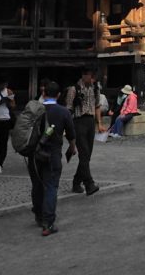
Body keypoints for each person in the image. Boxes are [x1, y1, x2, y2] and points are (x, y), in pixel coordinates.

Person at [30, 81, 76, 236]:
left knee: (37, 185)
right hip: (53, 153)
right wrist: (72, 147)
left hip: (35, 153)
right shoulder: (63, 112)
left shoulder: (36, 109)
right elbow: (71, 134)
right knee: (51, 186)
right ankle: (48, 223)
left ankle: (38, 216)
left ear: (43, 94)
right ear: (58, 95)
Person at [64, 67, 100, 195]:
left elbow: (97, 106)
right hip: (78, 122)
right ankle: (89, 183)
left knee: (87, 155)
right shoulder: (74, 89)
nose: (93, 79)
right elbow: (68, 109)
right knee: (84, 153)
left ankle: (76, 182)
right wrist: (68, 130)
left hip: (90, 121)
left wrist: (99, 123)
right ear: (84, 75)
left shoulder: (95, 88)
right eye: (91, 76)